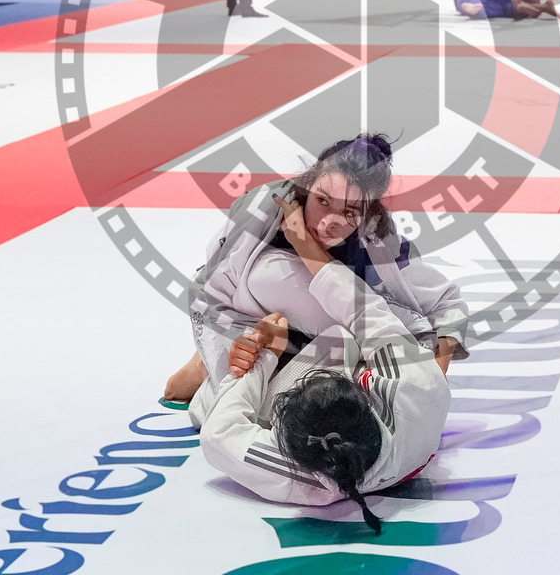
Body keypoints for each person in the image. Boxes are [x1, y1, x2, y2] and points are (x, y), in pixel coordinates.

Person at [166, 134, 467, 527]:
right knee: (316, 307)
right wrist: (431, 373)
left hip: (279, 336)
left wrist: (258, 356)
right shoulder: (416, 390)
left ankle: (223, 368)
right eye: (322, 199)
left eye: (350, 211)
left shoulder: (304, 477)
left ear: (281, 437)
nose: (331, 221)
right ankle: (228, 354)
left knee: (201, 406)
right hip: (276, 316)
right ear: (362, 392)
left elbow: (219, 434)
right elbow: (376, 316)